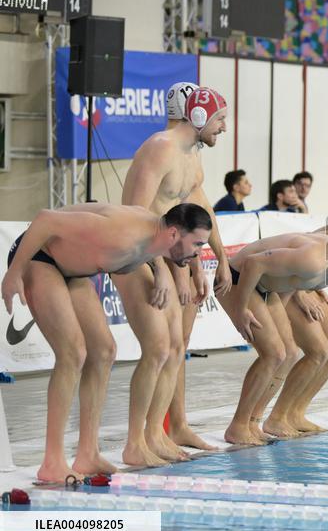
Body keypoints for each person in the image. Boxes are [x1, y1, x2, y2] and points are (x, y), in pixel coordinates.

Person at [1, 203, 212, 483]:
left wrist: (160, 271)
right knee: (72, 353)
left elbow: (150, 247)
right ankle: (52, 462)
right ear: (174, 233)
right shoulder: (120, 234)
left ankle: (87, 454)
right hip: (38, 256)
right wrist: (13, 273)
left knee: (104, 351)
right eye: (197, 244)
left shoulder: (157, 237)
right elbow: (44, 220)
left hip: (72, 270)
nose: (198, 253)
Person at [113, 85, 233, 465]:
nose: (224, 127)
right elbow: (134, 216)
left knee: (176, 349)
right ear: (197, 116)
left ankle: (157, 434)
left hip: (169, 257)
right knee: (159, 349)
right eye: (220, 119)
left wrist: (213, 260)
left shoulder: (191, 158)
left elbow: (199, 212)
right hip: (137, 255)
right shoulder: (160, 148)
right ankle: (136, 442)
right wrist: (163, 270)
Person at [220, 221, 328, 444]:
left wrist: (303, 295)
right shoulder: (314, 260)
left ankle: (253, 421)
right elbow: (253, 263)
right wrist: (241, 310)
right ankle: (237, 426)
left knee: (289, 353)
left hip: (267, 287)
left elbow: (288, 280)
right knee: (274, 354)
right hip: (238, 278)